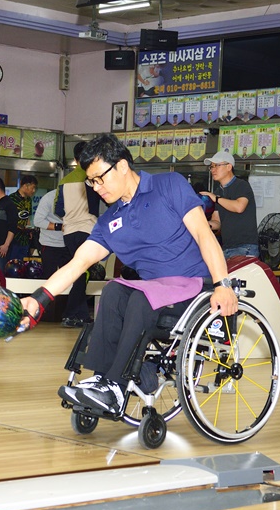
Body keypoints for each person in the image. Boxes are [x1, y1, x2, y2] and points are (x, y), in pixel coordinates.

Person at [18, 134, 238, 415]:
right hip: (154, 291)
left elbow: (203, 234)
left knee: (140, 298)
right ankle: (102, 379)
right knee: (112, 290)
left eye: (99, 178)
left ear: (121, 166)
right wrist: (40, 299)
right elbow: (79, 261)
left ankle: (116, 386)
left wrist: (223, 284)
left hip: (195, 288)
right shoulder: (110, 221)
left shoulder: (169, 185)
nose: (96, 188)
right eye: (91, 181)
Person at [57, 141, 101, 328]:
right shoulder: (91, 177)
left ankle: (79, 314)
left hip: (69, 232)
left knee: (79, 272)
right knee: (83, 272)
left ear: (74, 159)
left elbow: (58, 209)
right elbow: (95, 206)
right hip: (86, 230)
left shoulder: (64, 180)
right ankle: (71, 314)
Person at [201, 151, 259, 258]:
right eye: (211, 167)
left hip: (245, 247)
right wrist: (204, 223)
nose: (213, 170)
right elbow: (217, 222)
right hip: (226, 248)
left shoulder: (242, 185)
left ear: (229, 167)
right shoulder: (218, 192)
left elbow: (239, 207)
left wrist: (216, 199)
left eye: (217, 166)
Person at [34, 185, 67, 279]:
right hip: (49, 244)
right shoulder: (49, 198)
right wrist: (59, 227)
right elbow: (38, 221)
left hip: (68, 244)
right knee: (49, 277)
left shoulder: (77, 197)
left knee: (67, 278)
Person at [9, 175, 38, 261]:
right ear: (25, 186)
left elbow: (28, 217)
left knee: (23, 266)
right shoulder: (12, 199)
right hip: (13, 239)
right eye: (32, 188)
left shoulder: (29, 200)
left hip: (25, 240)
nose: (34, 191)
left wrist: (30, 230)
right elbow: (9, 220)